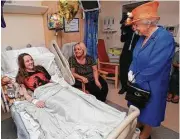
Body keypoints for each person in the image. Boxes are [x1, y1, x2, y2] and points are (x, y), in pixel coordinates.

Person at [125, 1, 175, 139]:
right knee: (137, 106)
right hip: (138, 79)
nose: (134, 28)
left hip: (154, 83)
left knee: (150, 111)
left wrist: (137, 78)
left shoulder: (165, 38)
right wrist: (130, 71)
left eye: (136, 24)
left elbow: (156, 66)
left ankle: (145, 135)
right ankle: (139, 124)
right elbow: (134, 57)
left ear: (148, 23)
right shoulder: (142, 37)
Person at [118, 13, 140, 94]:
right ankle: (124, 87)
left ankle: (131, 88)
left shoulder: (141, 32)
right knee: (123, 70)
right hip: (125, 53)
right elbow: (122, 39)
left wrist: (137, 31)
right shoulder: (128, 30)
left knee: (132, 71)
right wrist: (123, 31)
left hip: (134, 54)